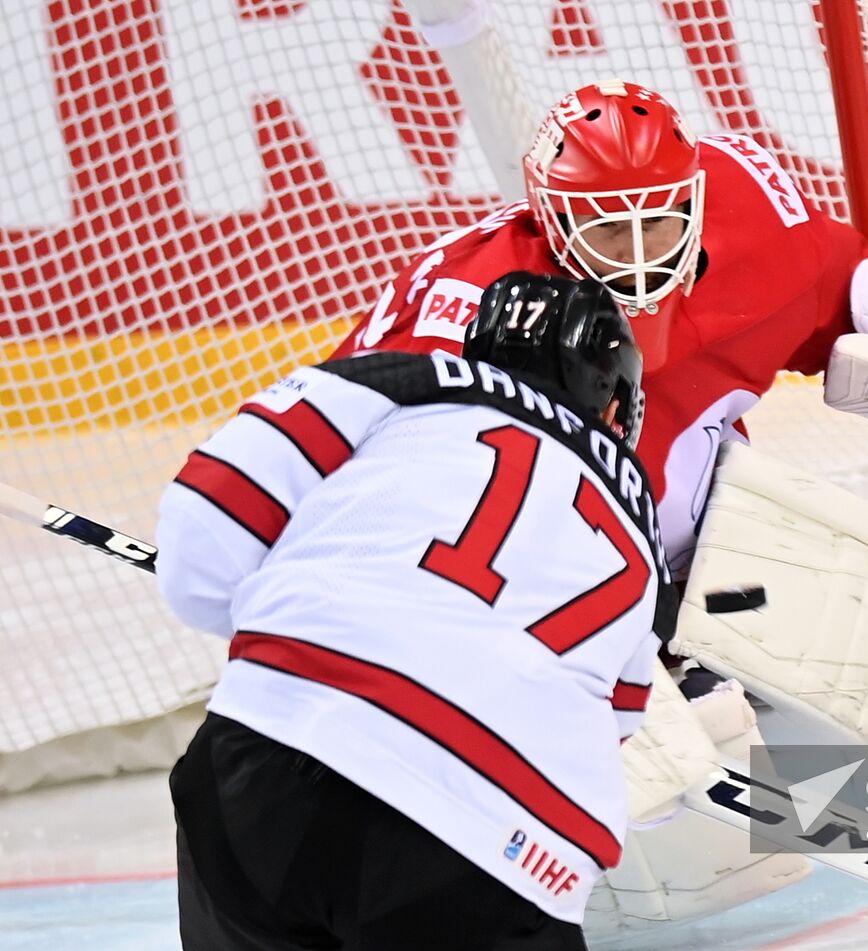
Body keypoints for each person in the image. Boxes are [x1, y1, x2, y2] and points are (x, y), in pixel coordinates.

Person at [327, 78, 868, 934]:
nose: (637, 251)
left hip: (704, 537)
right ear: (549, 218)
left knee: (867, 641)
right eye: (606, 227)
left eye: (660, 220)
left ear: (696, 194)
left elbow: (851, 292)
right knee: (639, 807)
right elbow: (353, 454)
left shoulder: (755, 217)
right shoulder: (463, 301)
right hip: (540, 574)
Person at [156, 272, 673, 949]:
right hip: (496, 843)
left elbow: (201, 538)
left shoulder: (392, 379)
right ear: (615, 402)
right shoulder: (643, 527)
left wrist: (296, 606)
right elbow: (619, 721)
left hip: (264, 766)